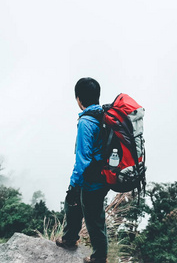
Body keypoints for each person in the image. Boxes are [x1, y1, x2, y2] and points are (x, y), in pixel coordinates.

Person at [56, 77, 109, 263]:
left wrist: (74, 183)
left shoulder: (86, 122)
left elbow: (83, 159)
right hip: (103, 175)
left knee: (92, 216)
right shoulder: (103, 115)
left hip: (91, 177)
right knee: (78, 204)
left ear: (78, 99)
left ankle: (99, 257)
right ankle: (70, 238)